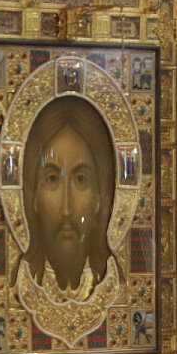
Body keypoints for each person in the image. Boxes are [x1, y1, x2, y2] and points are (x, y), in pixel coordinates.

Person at [21, 96, 114, 300]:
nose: (66, 208)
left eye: (81, 179)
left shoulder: (112, 285)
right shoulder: (19, 285)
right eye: (52, 179)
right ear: (34, 196)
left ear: (100, 196)